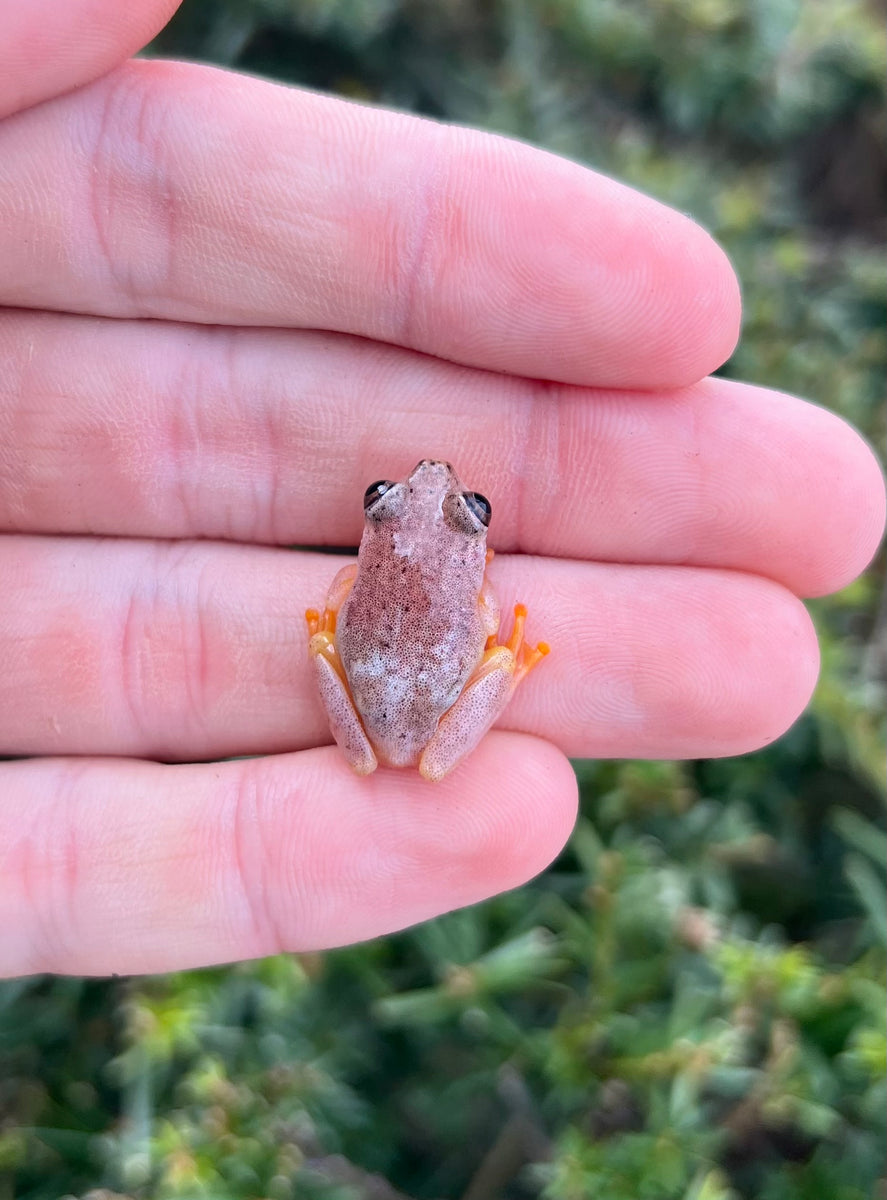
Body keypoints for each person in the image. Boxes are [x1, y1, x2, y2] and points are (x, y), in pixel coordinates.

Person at [0, 0, 882, 979]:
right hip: (409, 696)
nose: (419, 492)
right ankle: (482, 676)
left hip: (376, 694)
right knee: (450, 686)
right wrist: (485, 653)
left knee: (397, 690)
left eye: (460, 510)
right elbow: (462, 604)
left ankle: (444, 679)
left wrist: (370, 639)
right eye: (392, 498)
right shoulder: (452, 564)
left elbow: (391, 606)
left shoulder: (402, 561)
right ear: (385, 527)